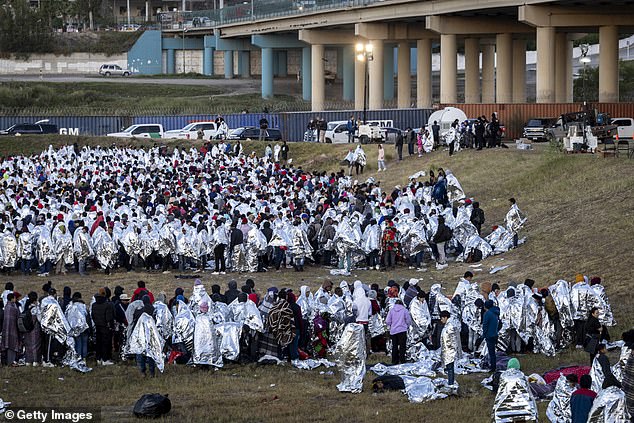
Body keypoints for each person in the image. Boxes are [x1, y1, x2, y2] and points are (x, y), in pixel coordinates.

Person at [133, 295, 156, 377]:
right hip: (151, 335)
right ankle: (152, 372)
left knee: (141, 353)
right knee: (151, 353)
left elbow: (135, 322)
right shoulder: (153, 309)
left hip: (141, 335)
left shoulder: (139, 311)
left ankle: (142, 371)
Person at [91, 288, 115, 366]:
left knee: (99, 343)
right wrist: (111, 326)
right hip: (105, 327)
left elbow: (93, 316)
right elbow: (109, 317)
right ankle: (105, 359)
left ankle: (99, 358)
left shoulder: (94, 305)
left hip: (98, 326)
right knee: (105, 343)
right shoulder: (107, 305)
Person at [385, 299, 411, 365]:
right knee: (402, 346)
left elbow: (387, 321)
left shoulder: (391, 310)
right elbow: (408, 320)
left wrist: (391, 325)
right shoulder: (405, 310)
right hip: (402, 330)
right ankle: (402, 360)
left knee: (394, 346)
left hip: (393, 331)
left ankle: (394, 360)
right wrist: (407, 325)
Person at [439, 310, 457, 388]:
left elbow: (452, 340)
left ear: (446, 317)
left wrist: (451, 350)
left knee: (450, 368)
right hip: (448, 350)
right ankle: (450, 382)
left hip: (449, 351)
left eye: (442, 318)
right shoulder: (448, 325)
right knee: (449, 367)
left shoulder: (450, 327)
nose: (441, 320)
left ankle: (451, 383)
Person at [2, 293, 20, 366]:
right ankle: (11, 362)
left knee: (6, 344)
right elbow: (18, 317)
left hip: (5, 329)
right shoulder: (14, 308)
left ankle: (5, 362)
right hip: (13, 329)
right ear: (12, 299)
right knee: (12, 345)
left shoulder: (6, 307)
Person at [482, 299, 500, 372]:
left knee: (491, 352)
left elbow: (485, 325)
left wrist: (484, 335)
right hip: (495, 334)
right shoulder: (496, 312)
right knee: (493, 352)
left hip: (489, 335)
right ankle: (493, 365)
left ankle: (492, 367)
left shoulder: (487, 314)